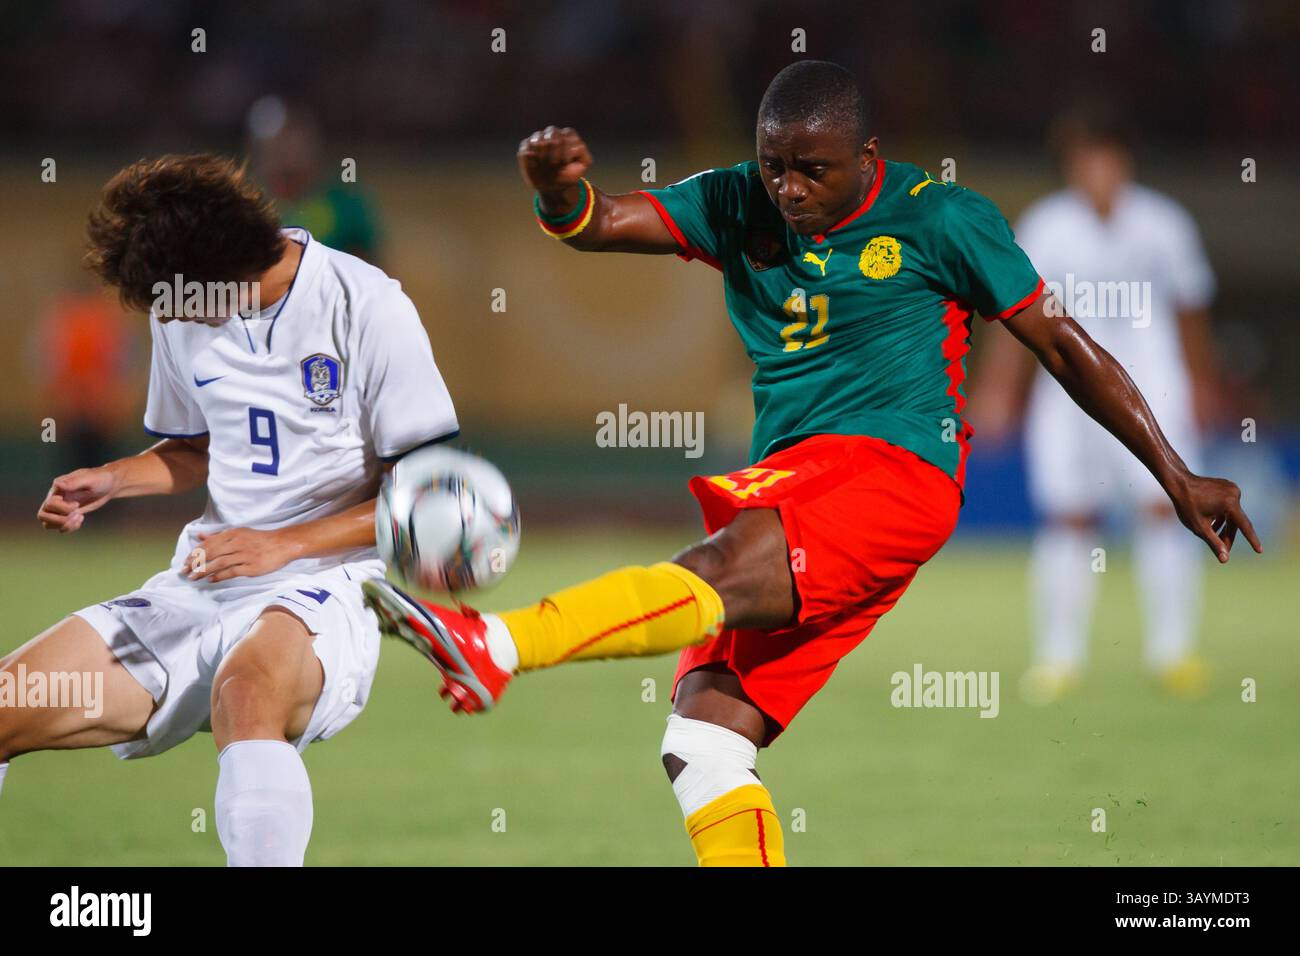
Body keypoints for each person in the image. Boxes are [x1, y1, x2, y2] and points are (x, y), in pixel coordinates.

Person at [364, 61, 1259, 867]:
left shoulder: (941, 218)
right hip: (801, 476)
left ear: (867, 155)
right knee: (704, 736)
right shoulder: (737, 201)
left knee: (718, 567)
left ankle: (497, 644)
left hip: (895, 471)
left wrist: (1176, 475)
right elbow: (602, 224)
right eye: (772, 165)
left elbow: (1061, 345)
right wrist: (561, 198)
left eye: (812, 169)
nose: (788, 188)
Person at [0, 154, 458, 866]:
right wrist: (115, 478)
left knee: (245, 694)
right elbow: (197, 447)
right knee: (9, 699)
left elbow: (427, 494)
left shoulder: (366, 305)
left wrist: (286, 546)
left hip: (333, 584)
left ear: (218, 263)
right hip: (204, 579)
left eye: (180, 301)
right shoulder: (182, 306)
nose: (174, 317)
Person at [973, 107, 1222, 702]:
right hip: (1069, 392)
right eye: (1085, 156)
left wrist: (1204, 381)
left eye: (1106, 154)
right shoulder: (1047, 224)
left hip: (1155, 387)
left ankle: (1174, 653)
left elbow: (1190, 310)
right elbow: (1017, 312)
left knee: (1168, 509)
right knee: (1068, 516)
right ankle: (1059, 658)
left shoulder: (1164, 223)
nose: (1097, 168)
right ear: (1071, 165)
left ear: (1124, 160)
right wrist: (999, 389)